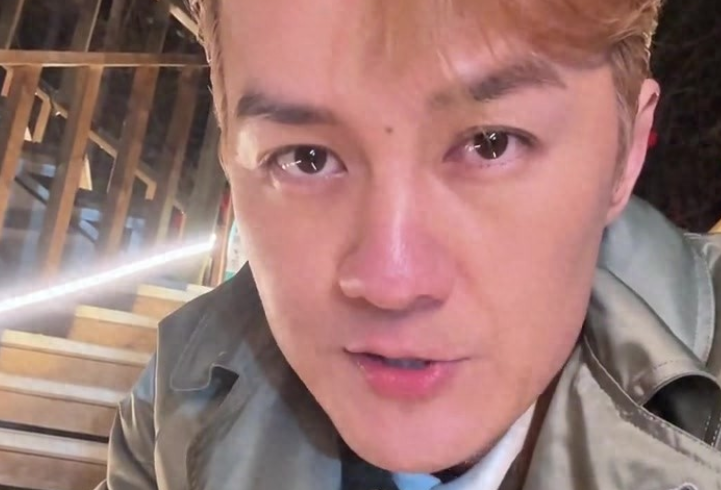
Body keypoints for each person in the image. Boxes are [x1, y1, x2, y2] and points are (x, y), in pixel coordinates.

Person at [98, 1, 721, 489]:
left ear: (624, 153)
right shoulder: (176, 405)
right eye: (307, 158)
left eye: (491, 144)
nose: (391, 282)